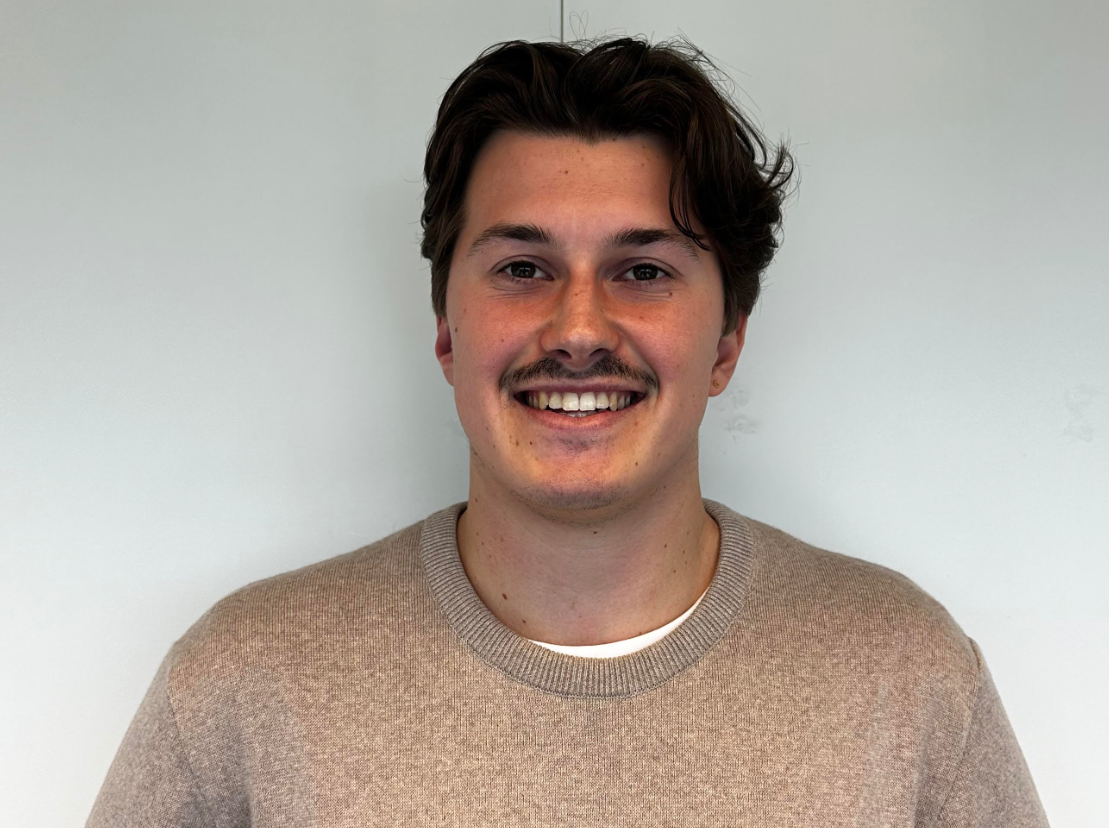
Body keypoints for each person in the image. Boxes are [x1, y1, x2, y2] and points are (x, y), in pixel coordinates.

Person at [88, 37, 1048, 827]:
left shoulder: (905, 678)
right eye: (522, 268)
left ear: (726, 342)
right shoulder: (246, 683)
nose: (579, 330)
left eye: (644, 271)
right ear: (446, 331)